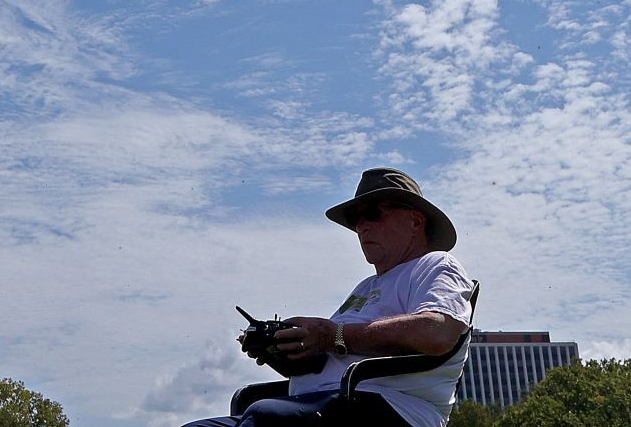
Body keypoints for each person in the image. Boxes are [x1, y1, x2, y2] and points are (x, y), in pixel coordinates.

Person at [186, 169, 475, 427]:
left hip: (393, 409)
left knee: (266, 415)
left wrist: (331, 334)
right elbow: (336, 350)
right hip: (327, 404)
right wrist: (288, 351)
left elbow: (438, 331)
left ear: (414, 221)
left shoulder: (436, 265)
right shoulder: (365, 286)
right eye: (356, 219)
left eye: (373, 213)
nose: (362, 226)